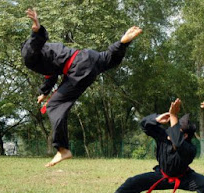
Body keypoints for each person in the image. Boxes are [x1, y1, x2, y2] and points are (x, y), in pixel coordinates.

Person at [21, 8, 142, 167]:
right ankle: (122, 43)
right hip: (86, 56)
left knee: (54, 105)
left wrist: (36, 28)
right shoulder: (49, 51)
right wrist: (44, 91)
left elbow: (33, 46)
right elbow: (52, 74)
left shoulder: (28, 56)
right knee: (107, 58)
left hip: (77, 68)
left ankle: (63, 149)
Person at [88, 98, 204, 193]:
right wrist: (156, 119)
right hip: (162, 175)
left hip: (185, 178)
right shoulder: (163, 137)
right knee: (132, 182)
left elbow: (178, 143)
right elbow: (144, 125)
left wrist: (174, 115)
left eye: (176, 129)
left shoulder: (190, 149)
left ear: (185, 136)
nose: (170, 132)